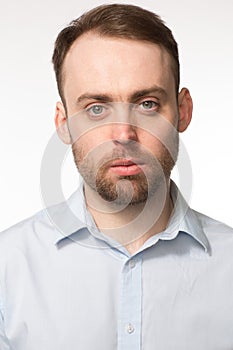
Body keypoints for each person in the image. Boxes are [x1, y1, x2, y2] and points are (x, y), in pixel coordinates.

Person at [0, 3, 233, 350]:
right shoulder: (8, 267)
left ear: (182, 112)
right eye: (96, 108)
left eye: (147, 103)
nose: (124, 133)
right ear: (63, 122)